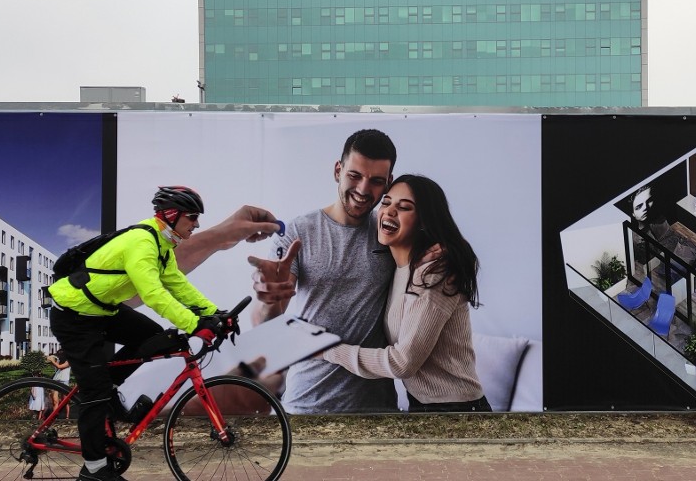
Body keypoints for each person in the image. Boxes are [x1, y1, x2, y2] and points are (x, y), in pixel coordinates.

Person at [48, 186, 279, 481]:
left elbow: (177, 286)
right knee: (93, 392)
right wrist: (195, 325)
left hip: (102, 310)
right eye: (192, 217)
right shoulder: (142, 242)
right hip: (74, 315)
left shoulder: (162, 246)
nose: (197, 224)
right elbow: (154, 294)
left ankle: (109, 393)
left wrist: (213, 314)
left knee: (152, 337)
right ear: (172, 216)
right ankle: (94, 468)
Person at [248, 128, 399, 414]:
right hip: (306, 403)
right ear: (338, 171)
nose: (364, 190)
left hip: (377, 409)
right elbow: (266, 321)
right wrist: (269, 298)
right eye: (354, 176)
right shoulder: (298, 231)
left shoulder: (390, 233)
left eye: (376, 181)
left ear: (388, 183)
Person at [321, 174, 491, 412]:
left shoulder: (433, 270)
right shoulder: (398, 268)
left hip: (456, 410)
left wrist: (327, 350)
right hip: (423, 406)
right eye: (386, 202)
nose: (389, 212)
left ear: (424, 221)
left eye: (404, 208)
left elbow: (403, 364)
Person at [47, 348, 71, 418]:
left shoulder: (68, 361)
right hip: (56, 380)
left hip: (64, 381)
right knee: (55, 401)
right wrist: (51, 359)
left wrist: (53, 361)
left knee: (65, 401)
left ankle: (67, 417)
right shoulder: (58, 360)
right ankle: (54, 416)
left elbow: (60, 367)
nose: (59, 356)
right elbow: (53, 363)